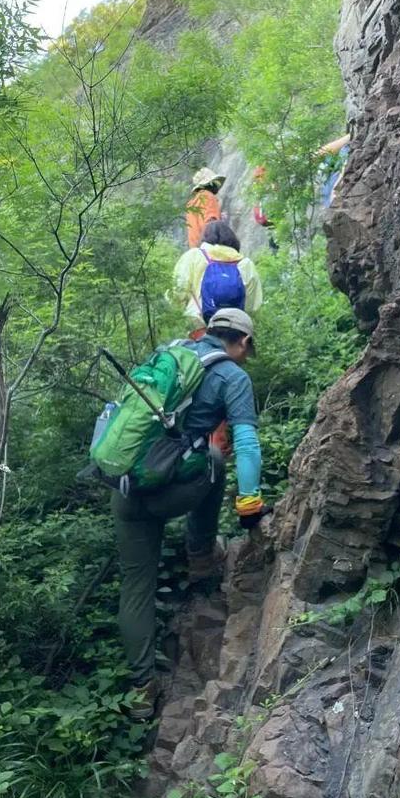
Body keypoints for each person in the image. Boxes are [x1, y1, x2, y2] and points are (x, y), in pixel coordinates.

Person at [111, 308, 265, 720]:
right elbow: (247, 445)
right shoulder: (232, 376)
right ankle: (201, 559)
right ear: (243, 341)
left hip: (126, 486)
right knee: (214, 457)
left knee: (136, 584)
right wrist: (249, 505)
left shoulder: (171, 355)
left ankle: (142, 690)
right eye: (249, 349)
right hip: (172, 491)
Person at [173, 219, 263, 334]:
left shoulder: (194, 256)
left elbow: (178, 291)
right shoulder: (245, 264)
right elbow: (253, 305)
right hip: (235, 332)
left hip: (198, 328)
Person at [186, 167, 226, 248]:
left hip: (195, 250)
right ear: (209, 184)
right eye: (215, 183)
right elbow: (211, 223)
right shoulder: (208, 196)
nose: (217, 185)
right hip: (207, 248)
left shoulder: (191, 203)